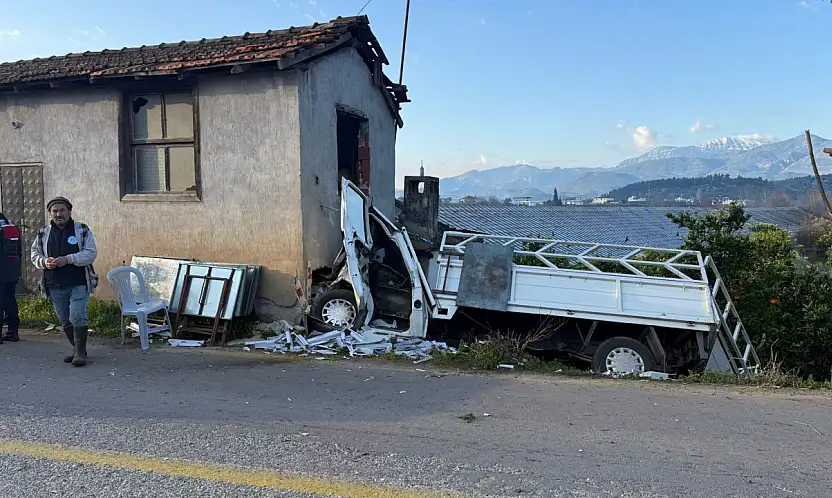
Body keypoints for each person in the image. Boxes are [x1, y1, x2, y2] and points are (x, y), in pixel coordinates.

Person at [30, 197, 98, 366]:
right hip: (54, 283)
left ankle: (80, 354)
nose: (58, 214)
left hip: (78, 281)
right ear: (50, 213)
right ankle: (77, 348)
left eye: (62, 210)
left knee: (77, 316)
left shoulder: (81, 229)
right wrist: (44, 262)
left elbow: (91, 253)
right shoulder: (43, 232)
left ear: (69, 211)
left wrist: (68, 259)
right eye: (55, 211)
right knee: (65, 319)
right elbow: (35, 254)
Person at [0, 212, 22, 343]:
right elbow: (19, 252)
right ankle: (13, 332)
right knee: (10, 301)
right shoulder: (13, 229)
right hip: (12, 271)